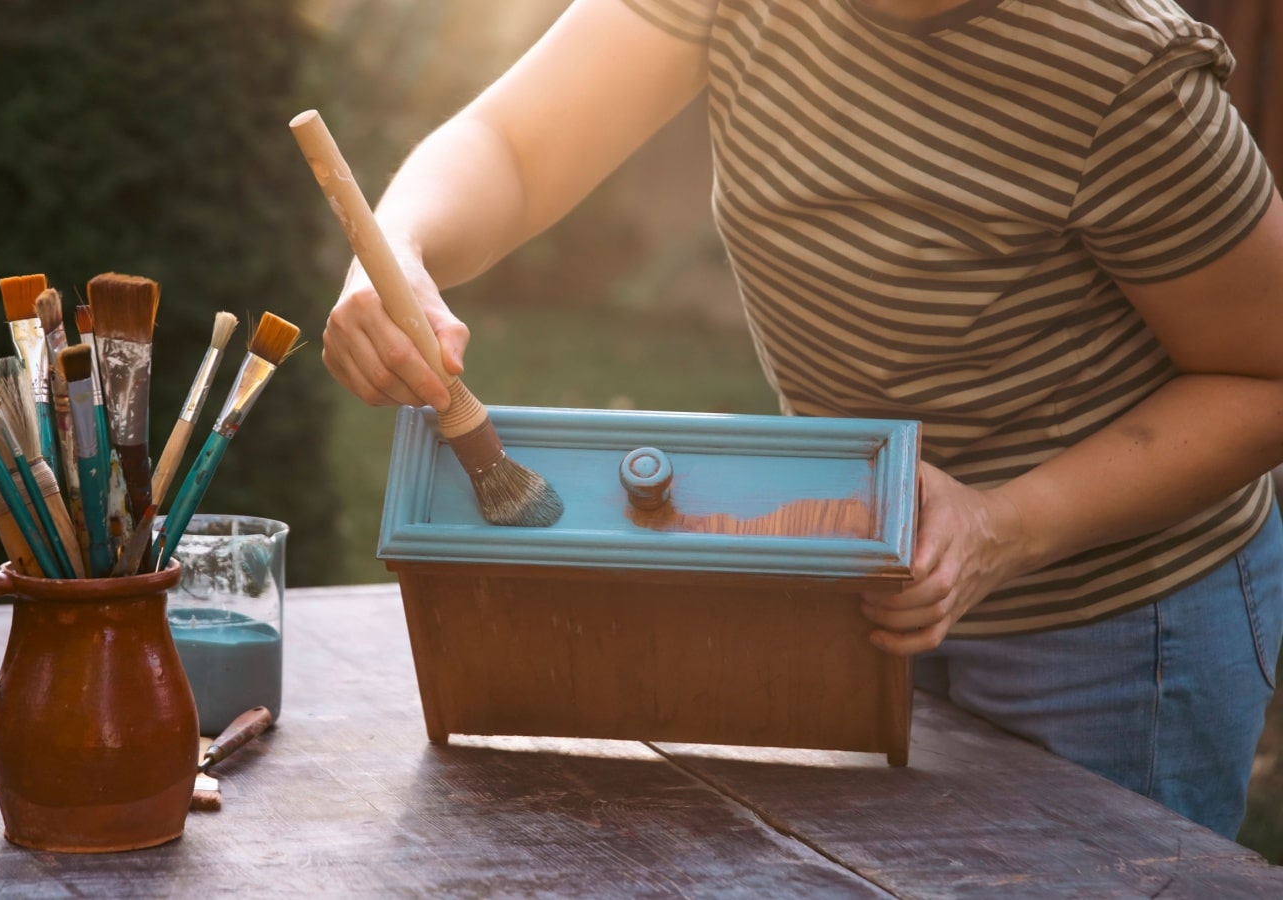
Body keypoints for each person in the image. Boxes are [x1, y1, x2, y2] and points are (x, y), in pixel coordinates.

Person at [318, 0, 1283, 838]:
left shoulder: (1121, 70)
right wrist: (396, 250)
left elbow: (1265, 375)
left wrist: (1003, 527)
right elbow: (517, 148)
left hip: (1113, 628)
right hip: (860, 570)